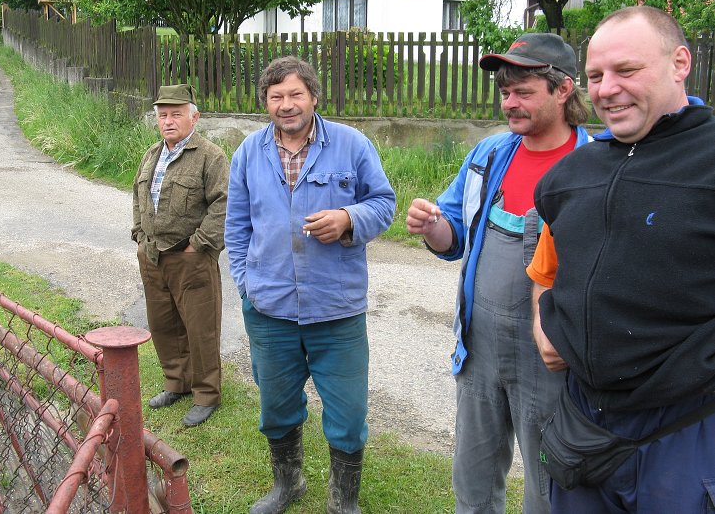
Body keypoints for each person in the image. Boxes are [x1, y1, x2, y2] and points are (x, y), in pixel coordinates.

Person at [527, 6, 715, 513]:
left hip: (687, 431)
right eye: (595, 76)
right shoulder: (570, 176)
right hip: (583, 423)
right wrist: (544, 325)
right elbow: (546, 270)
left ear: (680, 63)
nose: (607, 89)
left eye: (626, 70)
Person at [406, 33, 592, 513]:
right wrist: (432, 227)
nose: (509, 103)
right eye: (505, 92)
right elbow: (453, 238)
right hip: (480, 346)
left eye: (523, 92)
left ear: (563, 90)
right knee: (473, 475)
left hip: (554, 357)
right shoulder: (489, 155)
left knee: (550, 483)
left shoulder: (594, 166)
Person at [225, 56, 395, 514]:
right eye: (276, 96)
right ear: (266, 102)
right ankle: (289, 484)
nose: (286, 105)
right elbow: (236, 226)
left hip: (336, 309)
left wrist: (348, 218)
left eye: (295, 94)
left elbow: (384, 203)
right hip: (269, 309)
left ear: (314, 97)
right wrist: (245, 285)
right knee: (276, 407)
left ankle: (343, 502)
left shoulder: (351, 145)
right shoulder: (248, 153)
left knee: (348, 414)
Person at [132, 83, 229, 427]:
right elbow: (137, 196)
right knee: (164, 325)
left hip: (191, 258)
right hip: (152, 256)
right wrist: (139, 235)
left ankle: (206, 394)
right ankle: (177, 383)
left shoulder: (211, 156)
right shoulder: (152, 154)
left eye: (176, 114)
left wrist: (198, 245)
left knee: (201, 329)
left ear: (194, 117)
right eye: (162, 115)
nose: (168, 121)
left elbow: (224, 204)